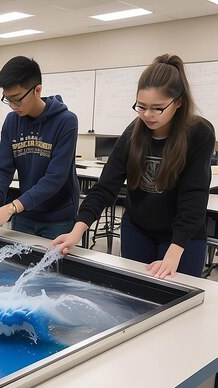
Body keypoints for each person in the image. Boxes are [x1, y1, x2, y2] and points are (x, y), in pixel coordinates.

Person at [51, 54, 216, 279]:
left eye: (157, 108)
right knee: (132, 296)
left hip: (182, 236)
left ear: (178, 102)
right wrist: (77, 231)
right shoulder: (134, 132)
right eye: (141, 106)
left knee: (177, 302)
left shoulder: (199, 133)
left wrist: (176, 249)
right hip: (138, 229)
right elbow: (106, 186)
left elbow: (194, 196)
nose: (147, 115)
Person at [0, 56, 79, 239]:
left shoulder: (66, 121)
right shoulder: (11, 121)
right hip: (24, 213)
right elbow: (2, 169)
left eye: (17, 100)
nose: (13, 107)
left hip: (57, 217)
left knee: (52, 268)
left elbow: (55, 179)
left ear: (37, 90)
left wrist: (11, 208)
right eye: (8, 100)